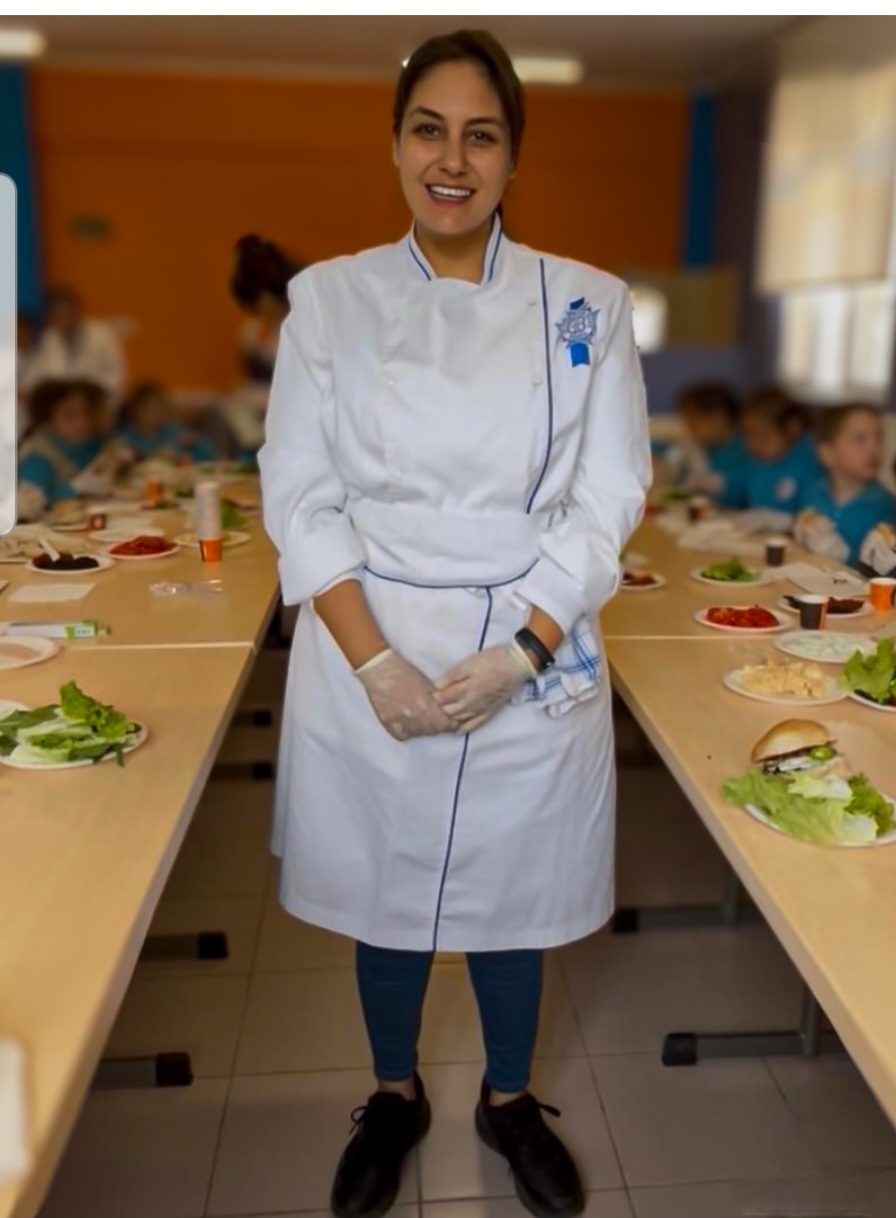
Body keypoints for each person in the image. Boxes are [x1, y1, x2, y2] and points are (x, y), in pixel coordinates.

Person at [258, 30, 650, 1218]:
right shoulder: (328, 301)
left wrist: (523, 649)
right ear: (393, 144)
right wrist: (374, 662)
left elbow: (609, 494)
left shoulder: (586, 303)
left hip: (526, 638)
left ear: (511, 157)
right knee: (382, 886)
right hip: (365, 637)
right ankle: (393, 1095)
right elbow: (298, 492)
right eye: (428, 130)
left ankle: (507, 1099)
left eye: (481, 136)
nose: (451, 159)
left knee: (510, 891)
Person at [224, 236, 301, 455]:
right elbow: (253, 378)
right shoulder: (254, 332)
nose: (261, 313)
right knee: (237, 402)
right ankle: (260, 449)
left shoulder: (304, 323)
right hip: (270, 396)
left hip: (302, 398)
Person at [793, 404, 896, 565]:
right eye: (860, 438)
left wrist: (846, 556)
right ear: (827, 453)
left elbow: (882, 569)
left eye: (878, 438)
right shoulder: (813, 493)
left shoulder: (885, 504)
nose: (873, 448)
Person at [16, 379, 119, 519]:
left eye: (84, 413)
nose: (82, 423)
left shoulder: (71, 446)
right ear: (47, 420)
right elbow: (29, 507)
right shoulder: (37, 459)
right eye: (69, 416)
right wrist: (75, 488)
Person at [22, 287, 127, 400]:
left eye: (65, 313)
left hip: (95, 400)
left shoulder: (100, 335)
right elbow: (36, 374)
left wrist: (91, 395)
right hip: (58, 402)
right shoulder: (48, 338)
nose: (63, 318)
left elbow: (115, 375)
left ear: (77, 310)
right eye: (56, 314)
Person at [740, 387, 823, 518]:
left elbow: (815, 516)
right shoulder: (754, 460)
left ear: (792, 428)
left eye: (763, 436)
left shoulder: (811, 463)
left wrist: (787, 521)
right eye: (748, 435)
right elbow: (737, 493)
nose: (753, 444)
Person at [676, 381, 748, 507]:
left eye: (692, 420)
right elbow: (683, 484)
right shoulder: (708, 448)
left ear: (718, 418)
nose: (688, 427)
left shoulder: (749, 449)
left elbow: (741, 495)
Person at [114, 381, 217, 463]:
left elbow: (210, 455)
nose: (157, 413)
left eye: (160, 407)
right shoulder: (124, 438)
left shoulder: (175, 432)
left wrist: (195, 444)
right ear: (136, 410)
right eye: (151, 408)